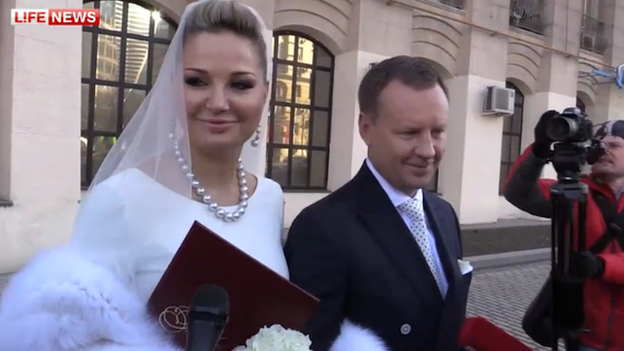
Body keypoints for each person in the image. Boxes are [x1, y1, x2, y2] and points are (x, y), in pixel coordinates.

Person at [284, 56, 473, 351]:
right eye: (409, 133)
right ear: (366, 127)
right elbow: (313, 343)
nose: (428, 150)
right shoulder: (322, 228)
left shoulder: (444, 213)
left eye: (437, 131)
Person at [504, 111, 624, 351]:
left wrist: (602, 266)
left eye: (615, 145)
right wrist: (539, 150)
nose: (605, 150)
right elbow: (519, 193)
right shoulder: (573, 191)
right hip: (585, 338)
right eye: (599, 144)